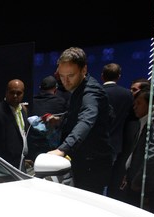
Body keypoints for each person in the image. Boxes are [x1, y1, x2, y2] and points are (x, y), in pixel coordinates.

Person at [47, 47, 113, 194]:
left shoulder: (91, 92)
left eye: (70, 75)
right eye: (61, 76)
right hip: (85, 161)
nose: (65, 81)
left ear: (84, 70)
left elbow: (87, 120)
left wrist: (62, 149)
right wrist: (61, 120)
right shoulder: (78, 88)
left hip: (91, 166)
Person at [119, 87, 154, 212]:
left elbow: (153, 158)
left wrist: (138, 181)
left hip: (142, 185)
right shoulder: (143, 122)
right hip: (133, 179)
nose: (135, 107)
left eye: (139, 103)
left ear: (152, 104)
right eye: (134, 103)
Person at [101, 63, 134, 197]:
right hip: (116, 143)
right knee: (111, 179)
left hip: (96, 142)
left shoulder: (97, 92)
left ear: (102, 76)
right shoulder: (127, 94)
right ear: (119, 77)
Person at [0, 79, 29, 170]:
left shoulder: (23, 110)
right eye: (12, 92)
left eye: (19, 93)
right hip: (4, 165)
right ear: (6, 92)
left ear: (23, 94)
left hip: (21, 162)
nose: (15, 96)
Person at [26, 75, 67, 161]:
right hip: (52, 150)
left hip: (32, 148)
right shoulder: (61, 102)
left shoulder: (31, 102)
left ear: (40, 88)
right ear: (55, 89)